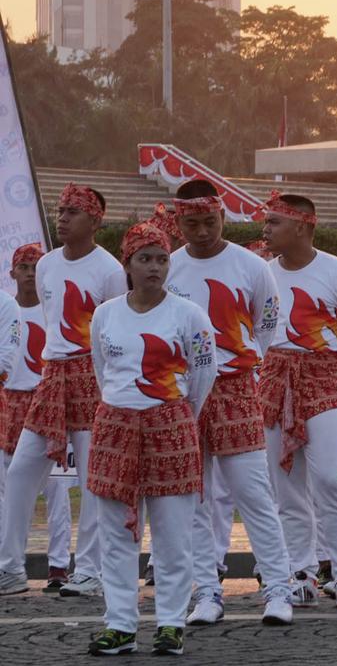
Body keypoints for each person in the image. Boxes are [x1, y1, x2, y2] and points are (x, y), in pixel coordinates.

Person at [163, 182, 294, 625]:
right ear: (178, 223)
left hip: (236, 388)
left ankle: (278, 589)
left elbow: (267, 322)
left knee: (253, 492)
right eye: (191, 224)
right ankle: (206, 592)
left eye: (209, 222)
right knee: (193, 496)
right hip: (182, 394)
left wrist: (244, 363)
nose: (202, 232)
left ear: (222, 217)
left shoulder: (251, 266)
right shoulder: (171, 268)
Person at [85, 221, 217, 656]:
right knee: (115, 534)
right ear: (128, 264)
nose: (154, 268)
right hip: (115, 429)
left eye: (161, 259)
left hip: (171, 427)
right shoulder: (106, 314)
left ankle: (170, 624)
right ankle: (120, 625)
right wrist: (124, 410)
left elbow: (204, 373)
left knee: (173, 533)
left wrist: (176, 414)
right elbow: (103, 369)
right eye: (145, 259)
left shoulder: (189, 314)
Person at [0, 184, 126, 597]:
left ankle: (89, 570)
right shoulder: (47, 266)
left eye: (73, 212)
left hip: (92, 376)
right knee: (20, 472)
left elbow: (116, 331)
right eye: (60, 210)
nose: (63, 218)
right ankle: (10, 569)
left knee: (92, 480)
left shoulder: (109, 270)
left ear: (95, 220)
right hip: (51, 377)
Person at [256, 191, 337, 608]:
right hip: (275, 379)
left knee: (331, 479)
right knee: (286, 485)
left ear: (302, 226)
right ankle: (300, 574)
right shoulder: (261, 274)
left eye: (274, 222)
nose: (266, 230)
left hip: (327, 379)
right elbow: (253, 330)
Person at [1, 244, 73, 592]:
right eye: (24, 267)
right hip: (8, 401)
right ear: (12, 272)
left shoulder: (52, 311)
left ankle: (58, 564)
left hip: (45, 401)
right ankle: (8, 563)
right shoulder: (6, 309)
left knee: (56, 487)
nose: (30, 273)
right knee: (9, 486)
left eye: (35, 267)